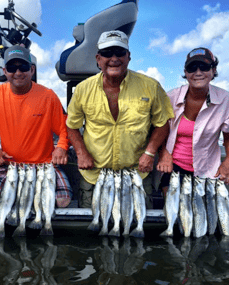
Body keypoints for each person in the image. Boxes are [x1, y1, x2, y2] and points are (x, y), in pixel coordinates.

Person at [66, 30, 174, 208]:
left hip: (136, 176)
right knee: (93, 230)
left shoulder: (151, 86)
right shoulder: (83, 89)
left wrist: (150, 153)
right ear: (98, 58)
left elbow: (162, 123)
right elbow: (72, 126)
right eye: (107, 53)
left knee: (137, 230)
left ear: (128, 56)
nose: (114, 58)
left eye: (120, 52)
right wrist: (81, 153)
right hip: (95, 176)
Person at [0, 45, 72, 208]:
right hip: (10, 165)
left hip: (45, 165)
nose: (18, 72)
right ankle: (20, 198)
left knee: (62, 201)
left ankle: (21, 198)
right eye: (12, 68)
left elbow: (65, 128)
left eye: (23, 67)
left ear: (32, 70)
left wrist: (62, 147)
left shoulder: (48, 96)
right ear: (4, 71)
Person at [157, 47, 229, 193]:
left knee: (205, 215)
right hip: (173, 168)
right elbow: (159, 129)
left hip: (208, 171)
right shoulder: (171, 97)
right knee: (175, 214)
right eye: (192, 68)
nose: (198, 73)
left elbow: (227, 137)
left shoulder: (225, 99)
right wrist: (164, 154)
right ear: (185, 72)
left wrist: (227, 162)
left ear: (213, 70)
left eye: (204, 67)